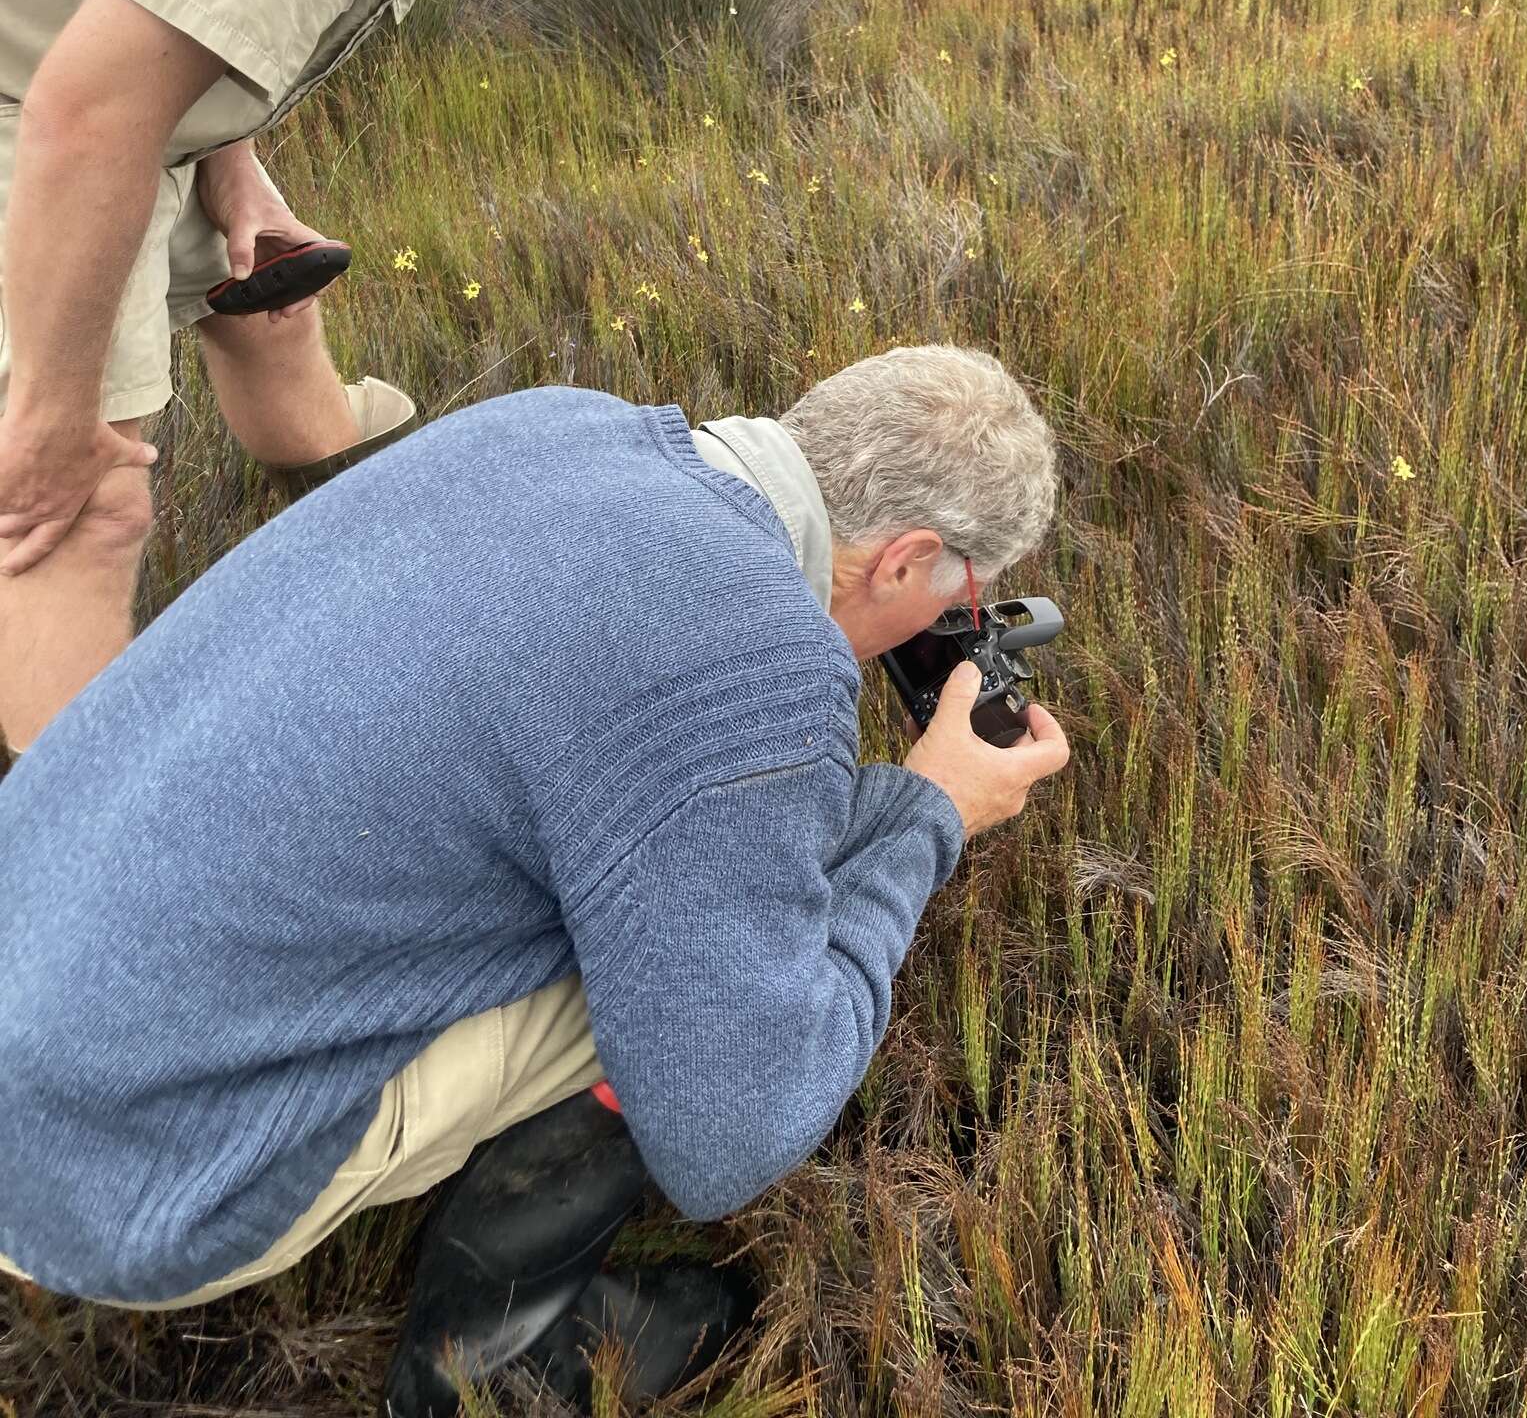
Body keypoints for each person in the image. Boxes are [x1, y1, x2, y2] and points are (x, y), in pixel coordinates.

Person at [0, 345, 1070, 1416]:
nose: (956, 623)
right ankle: (496, 1360)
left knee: (677, 862)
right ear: (904, 559)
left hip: (41, 954)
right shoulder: (755, 667)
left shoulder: (557, 422)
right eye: (961, 597)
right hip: (113, 1175)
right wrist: (931, 808)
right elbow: (736, 1122)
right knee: (716, 964)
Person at [0, 0, 781, 752]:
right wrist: (50, 426)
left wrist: (227, 153)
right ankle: (102, 874)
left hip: (55, 17)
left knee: (260, 281)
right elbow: (85, 114)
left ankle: (337, 481)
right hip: (36, 85)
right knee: (77, 504)